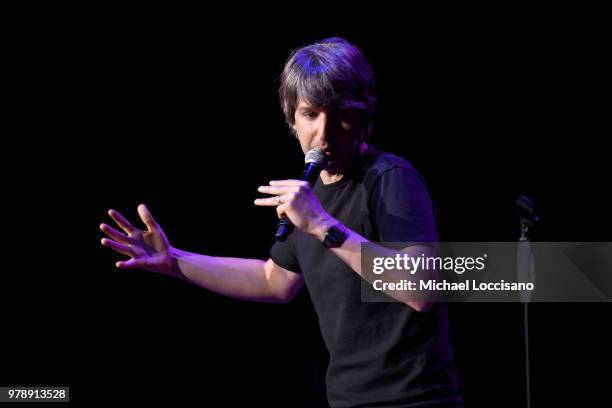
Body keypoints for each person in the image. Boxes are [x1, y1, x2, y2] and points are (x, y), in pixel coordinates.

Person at [100, 37, 463, 408]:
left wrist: (321, 225)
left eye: (341, 114)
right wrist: (175, 261)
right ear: (291, 119)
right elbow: (274, 280)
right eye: (310, 114)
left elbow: (421, 289)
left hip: (415, 401)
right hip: (350, 401)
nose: (323, 133)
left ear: (364, 118)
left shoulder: (389, 178)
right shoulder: (309, 197)